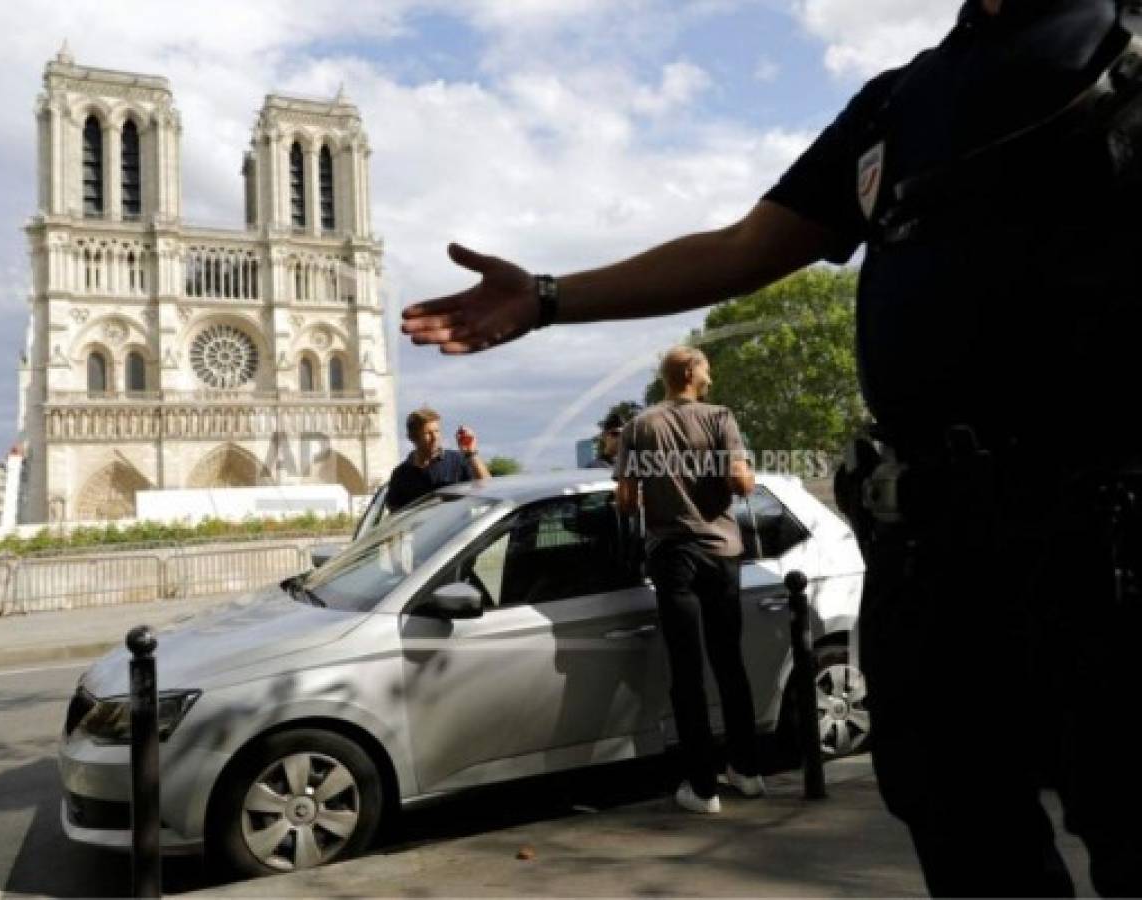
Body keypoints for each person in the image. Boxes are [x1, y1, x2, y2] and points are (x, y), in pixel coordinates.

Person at [401, 1, 1142, 893]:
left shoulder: (1122, 40)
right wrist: (550, 297)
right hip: (935, 548)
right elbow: (743, 248)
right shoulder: (896, 101)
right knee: (958, 818)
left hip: (1108, 533)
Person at [616, 346, 764, 813]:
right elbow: (742, 485)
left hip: (673, 555)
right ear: (688, 372)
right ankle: (747, 770)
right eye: (706, 367)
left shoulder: (639, 426)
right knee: (729, 662)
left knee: (687, 671)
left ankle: (703, 788)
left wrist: (663, 493)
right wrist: (739, 474)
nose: (711, 374)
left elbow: (624, 501)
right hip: (722, 554)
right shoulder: (721, 417)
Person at [386, 407, 490, 513]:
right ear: (413, 437)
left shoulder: (458, 461)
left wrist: (471, 453)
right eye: (428, 433)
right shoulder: (401, 474)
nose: (435, 437)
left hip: (459, 529)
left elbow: (487, 488)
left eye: (437, 431)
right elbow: (395, 515)